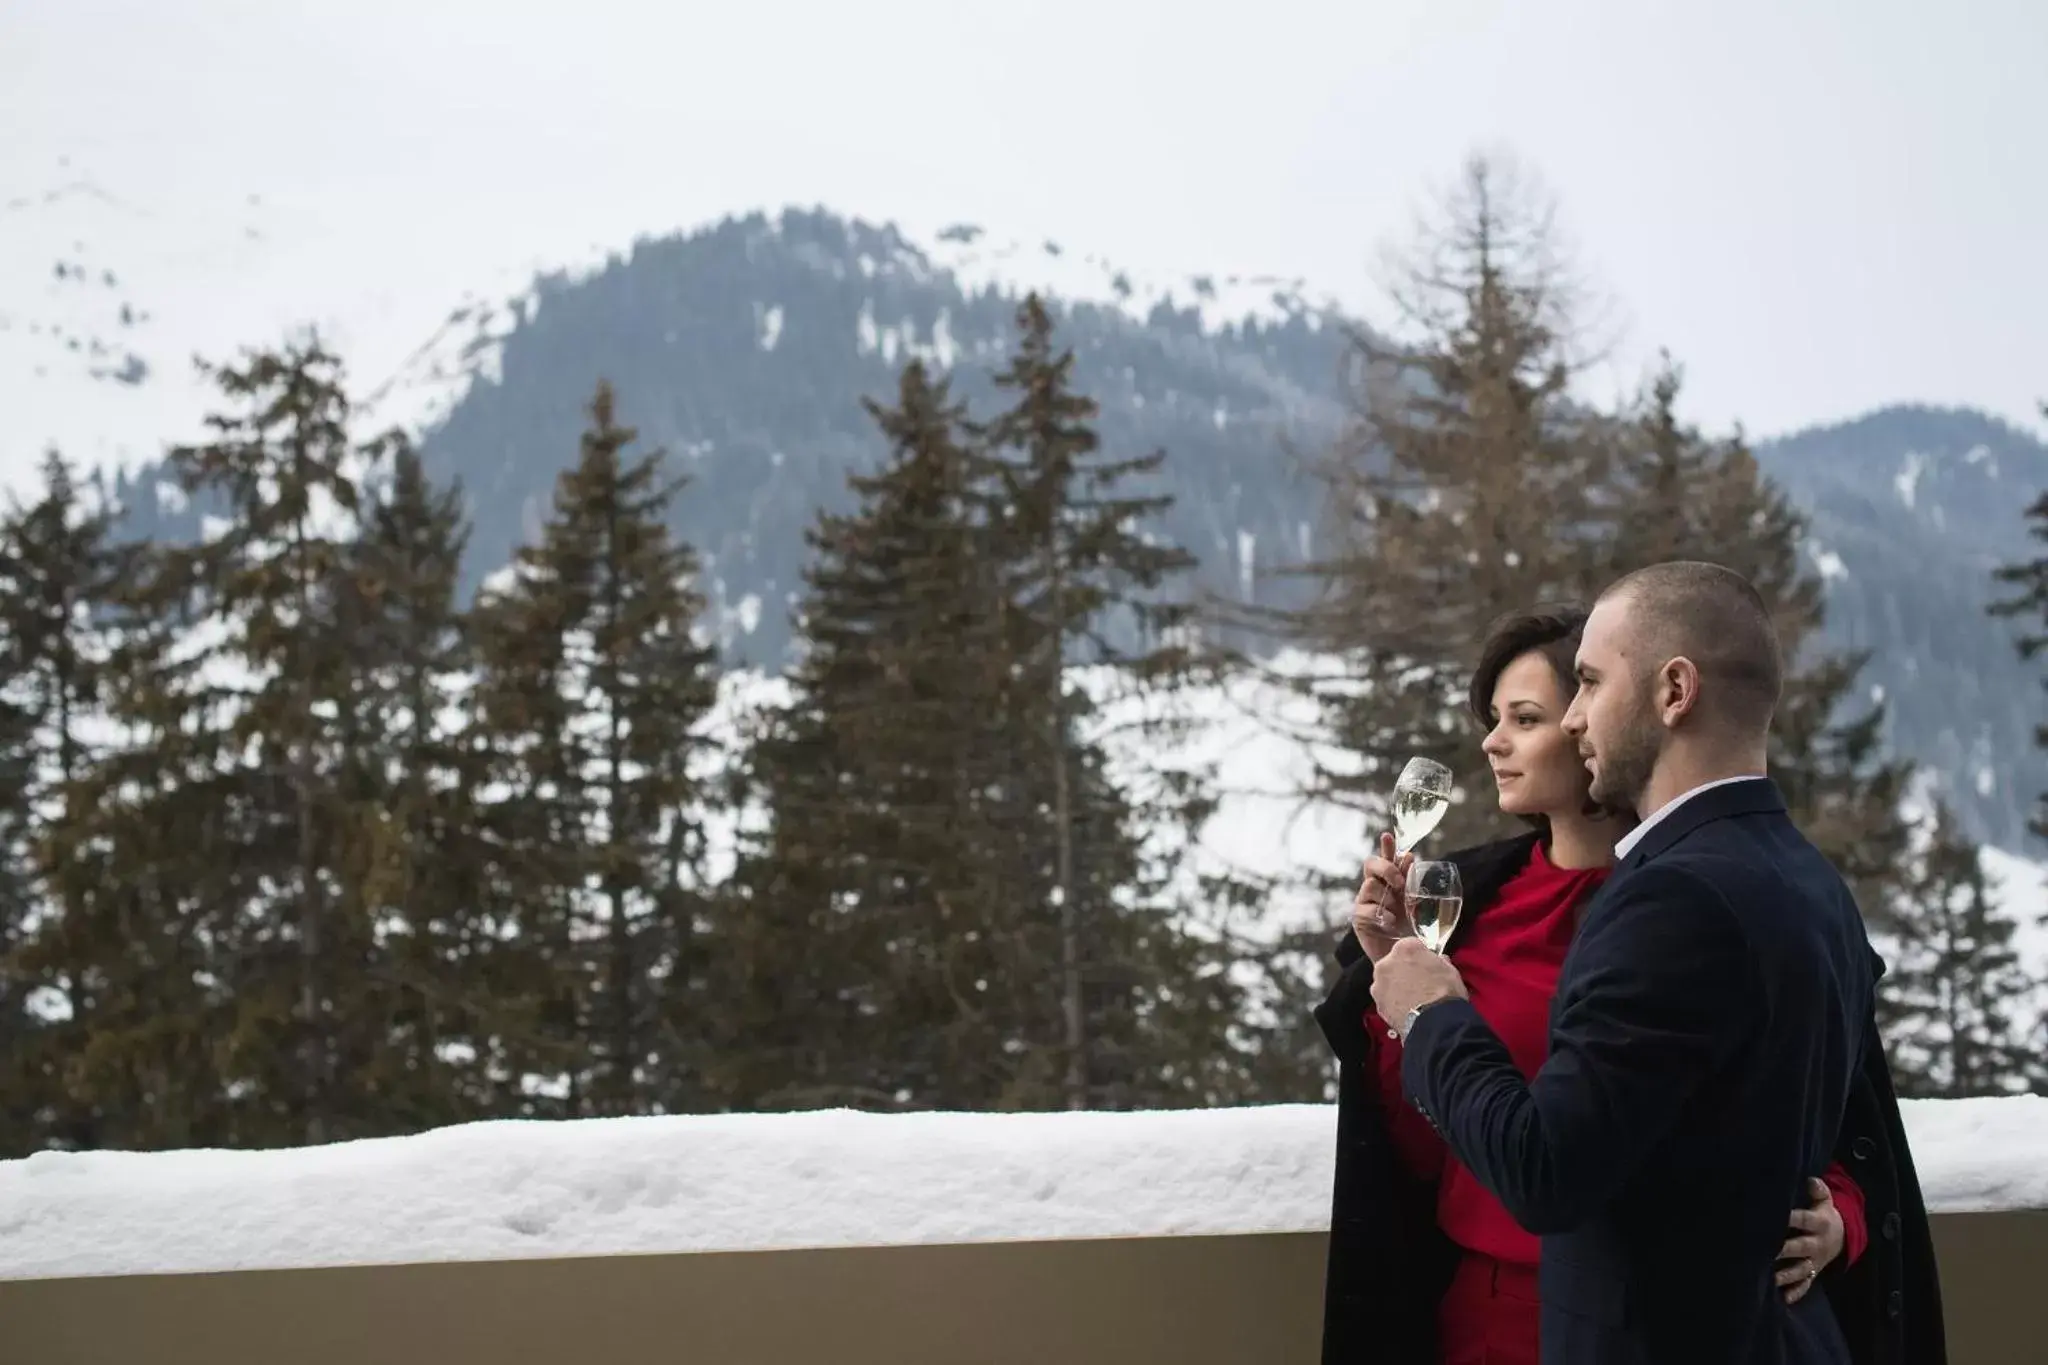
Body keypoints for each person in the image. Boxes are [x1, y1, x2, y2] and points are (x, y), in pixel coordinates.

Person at [1314, 598, 1942, 1365]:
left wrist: (1844, 1210)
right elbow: (1417, 1143)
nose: (1499, 739)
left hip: (1634, 1319)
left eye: (1538, 710)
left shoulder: (1674, 902)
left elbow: (1821, 1097)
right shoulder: (1478, 897)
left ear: (1665, 695)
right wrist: (1393, 987)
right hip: (1486, 1313)